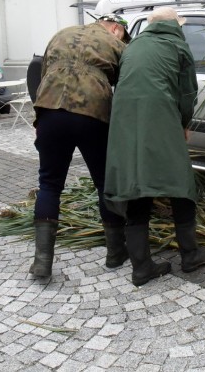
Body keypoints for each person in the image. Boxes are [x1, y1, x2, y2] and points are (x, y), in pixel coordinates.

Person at [104, 6, 205, 286]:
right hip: (161, 117)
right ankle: (190, 255)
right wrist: (183, 125)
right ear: (175, 26)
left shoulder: (132, 47)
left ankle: (141, 267)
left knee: (137, 185)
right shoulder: (178, 46)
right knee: (180, 182)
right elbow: (187, 94)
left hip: (124, 125)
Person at [30, 14, 131, 278]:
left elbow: (40, 74)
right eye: (122, 33)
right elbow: (125, 86)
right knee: (104, 183)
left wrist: (40, 115)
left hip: (50, 109)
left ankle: (42, 261)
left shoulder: (60, 33)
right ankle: (115, 252)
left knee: (49, 185)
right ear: (116, 28)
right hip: (93, 114)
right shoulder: (116, 44)